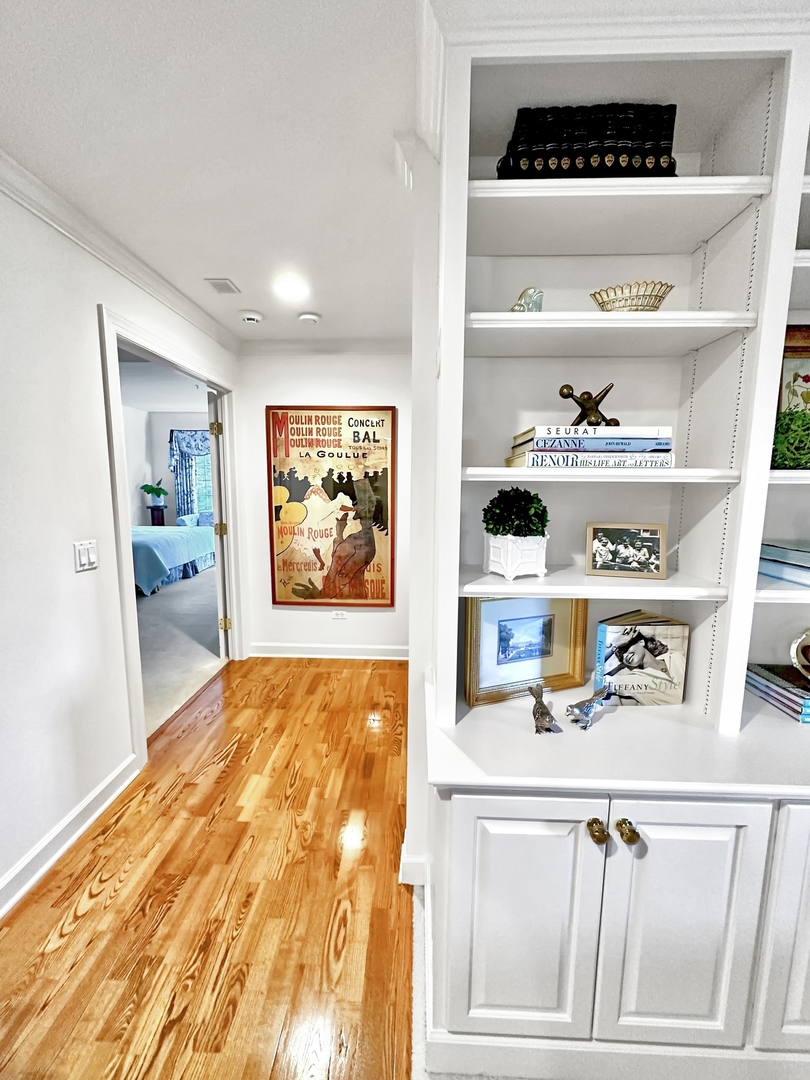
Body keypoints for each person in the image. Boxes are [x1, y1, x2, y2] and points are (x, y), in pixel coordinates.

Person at [602, 626, 685, 705]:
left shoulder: (676, 657)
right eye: (621, 657)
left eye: (626, 648)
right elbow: (598, 683)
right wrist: (614, 647)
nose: (625, 656)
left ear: (641, 642)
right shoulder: (634, 679)